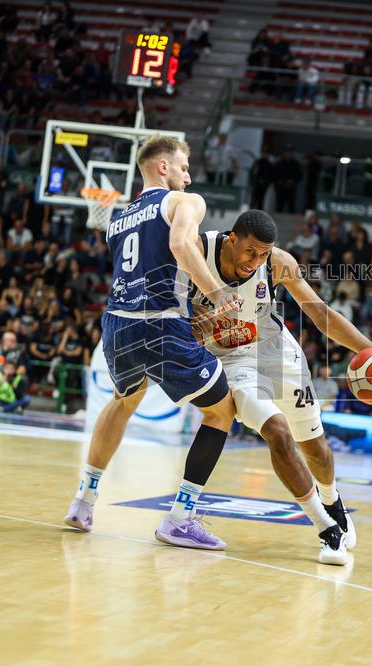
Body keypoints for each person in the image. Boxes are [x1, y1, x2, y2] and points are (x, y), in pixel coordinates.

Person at [64, 135, 241, 552]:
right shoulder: (184, 202)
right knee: (222, 411)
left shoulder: (120, 217)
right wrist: (216, 294)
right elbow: (179, 245)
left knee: (124, 400)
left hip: (115, 324)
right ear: (163, 167)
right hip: (159, 324)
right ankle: (180, 517)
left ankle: (84, 500)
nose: (189, 175)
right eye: (183, 167)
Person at [190, 210, 372, 564]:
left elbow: (321, 314)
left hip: (279, 354)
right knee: (278, 432)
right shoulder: (196, 252)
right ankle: (327, 529)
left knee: (317, 450)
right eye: (250, 252)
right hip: (234, 365)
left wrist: (371, 351)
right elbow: (173, 318)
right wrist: (193, 329)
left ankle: (331, 497)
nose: (256, 261)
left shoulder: (278, 263)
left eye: (263, 254)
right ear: (232, 239)